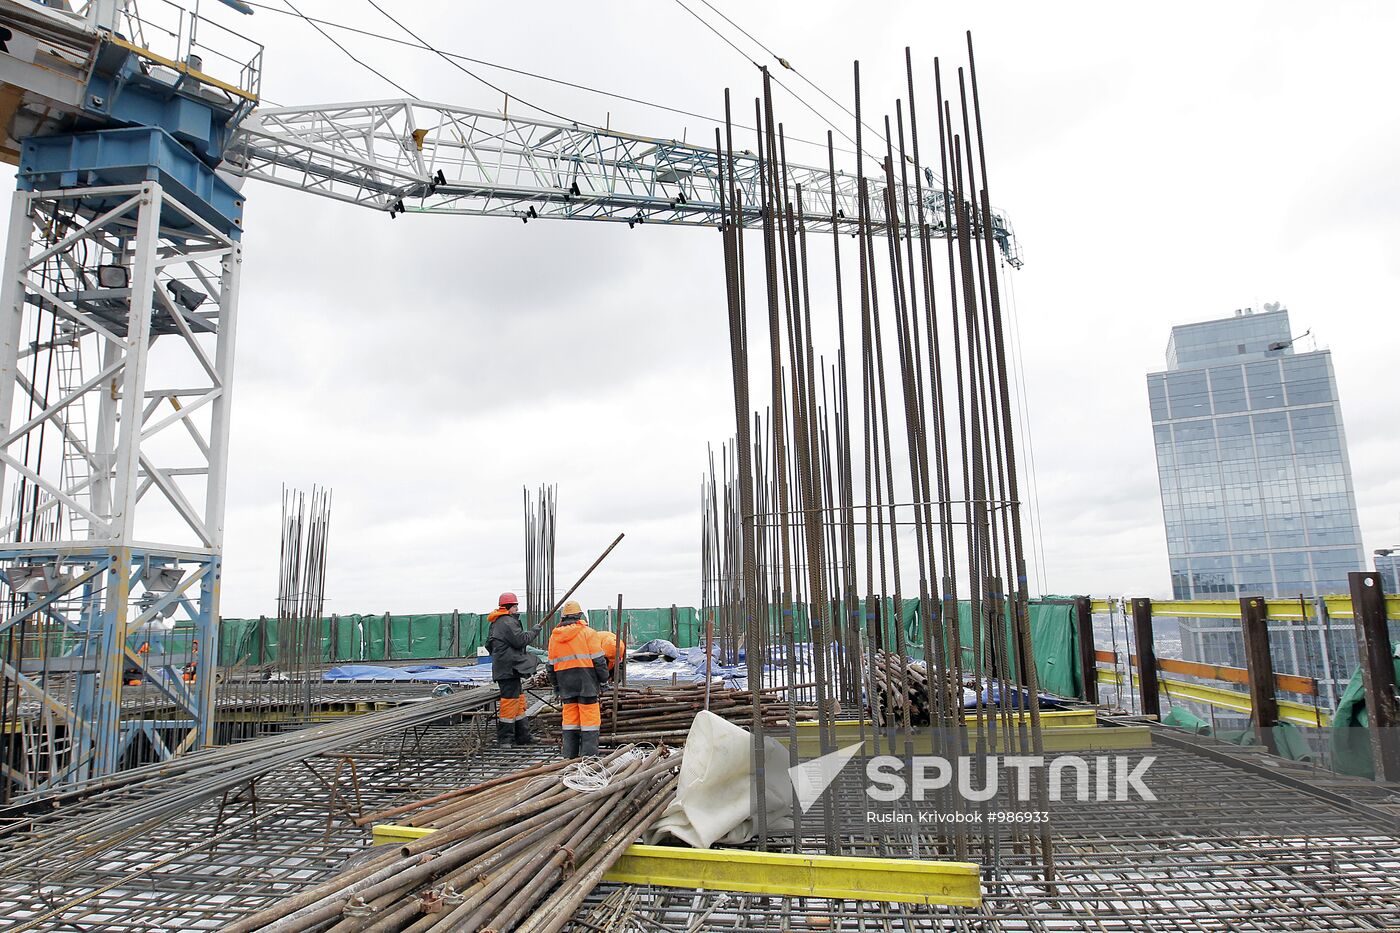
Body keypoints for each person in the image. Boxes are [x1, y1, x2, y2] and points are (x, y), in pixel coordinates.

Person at [547, 600, 608, 758]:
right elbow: (599, 661)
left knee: (570, 723)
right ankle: (588, 759)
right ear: (580, 615)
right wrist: (603, 681)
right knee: (589, 723)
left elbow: (550, 666)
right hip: (586, 684)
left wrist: (556, 687)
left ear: (563, 618)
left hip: (566, 685)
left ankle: (569, 757)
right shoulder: (588, 633)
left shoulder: (554, 637)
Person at [486, 592, 539, 746]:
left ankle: (523, 736)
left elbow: (489, 645)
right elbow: (520, 641)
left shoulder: (496, 622)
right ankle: (506, 739)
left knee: (519, 700)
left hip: (507, 668)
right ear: (510, 607)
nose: (517, 609)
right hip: (508, 669)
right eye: (515, 606)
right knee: (509, 703)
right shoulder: (507, 622)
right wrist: (534, 631)